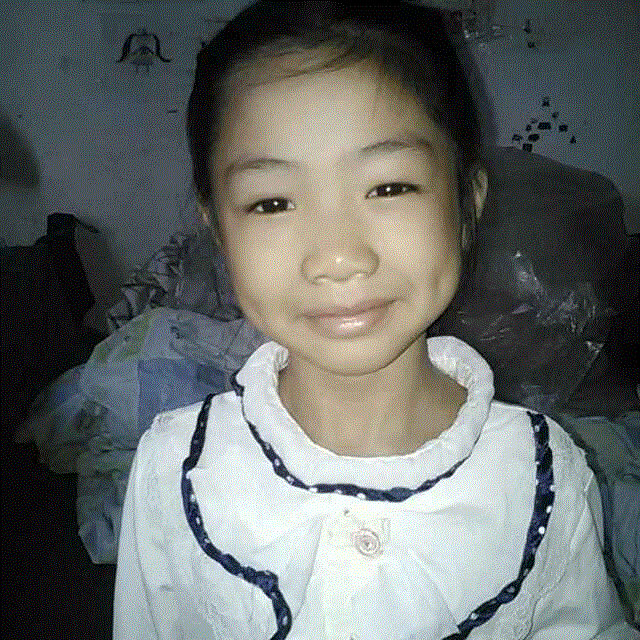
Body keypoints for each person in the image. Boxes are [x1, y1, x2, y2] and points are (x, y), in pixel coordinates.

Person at [113, 2, 637, 638]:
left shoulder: (544, 477)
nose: (338, 258)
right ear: (216, 226)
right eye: (271, 202)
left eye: (389, 188)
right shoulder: (175, 467)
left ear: (468, 200)